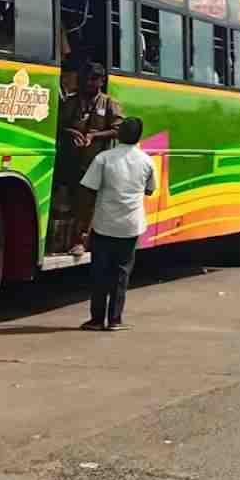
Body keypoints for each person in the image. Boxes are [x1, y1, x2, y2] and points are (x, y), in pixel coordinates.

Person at [77, 117, 156, 331]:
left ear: (119, 135)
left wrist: (83, 226)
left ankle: (95, 319)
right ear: (139, 136)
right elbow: (150, 190)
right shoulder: (147, 161)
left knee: (100, 272)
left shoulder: (104, 158)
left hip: (104, 224)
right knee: (121, 273)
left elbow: (89, 188)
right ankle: (115, 320)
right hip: (131, 226)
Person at [57, 63, 124, 256]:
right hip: (70, 162)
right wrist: (71, 132)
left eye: (93, 80)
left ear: (101, 81)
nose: (88, 84)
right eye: (85, 79)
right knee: (67, 201)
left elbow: (119, 130)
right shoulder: (71, 101)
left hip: (96, 164)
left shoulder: (109, 103)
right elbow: (58, 125)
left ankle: (81, 240)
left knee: (87, 204)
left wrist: (95, 136)